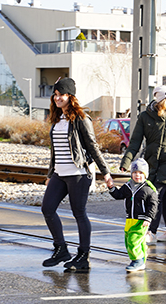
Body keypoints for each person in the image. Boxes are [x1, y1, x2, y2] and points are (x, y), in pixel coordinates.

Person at [42, 77, 114, 270]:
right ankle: (61, 249)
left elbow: (92, 146)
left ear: (70, 96)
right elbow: (55, 151)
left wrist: (105, 172)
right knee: (47, 209)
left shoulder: (81, 119)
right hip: (59, 173)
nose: (57, 98)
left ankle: (83, 256)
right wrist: (50, 174)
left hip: (78, 173)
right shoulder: (57, 120)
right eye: (55, 95)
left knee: (79, 213)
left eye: (61, 95)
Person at [120, 85, 166, 244]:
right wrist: (126, 162)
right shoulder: (145, 117)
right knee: (163, 198)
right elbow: (135, 142)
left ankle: (151, 232)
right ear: (160, 101)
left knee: (155, 195)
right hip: (150, 163)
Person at [108, 158, 158, 272]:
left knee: (133, 240)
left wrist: (149, 217)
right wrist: (111, 188)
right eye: (135, 173)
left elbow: (153, 205)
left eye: (140, 173)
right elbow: (118, 195)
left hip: (142, 220)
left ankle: (138, 260)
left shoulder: (148, 189)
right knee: (129, 240)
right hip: (130, 219)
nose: (137, 175)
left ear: (145, 175)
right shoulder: (128, 186)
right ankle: (139, 259)